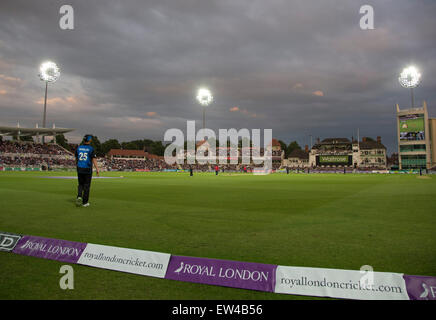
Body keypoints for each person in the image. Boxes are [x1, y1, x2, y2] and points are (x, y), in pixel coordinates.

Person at [75, 134, 99, 207]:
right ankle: (85, 202)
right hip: (87, 169)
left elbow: (76, 158)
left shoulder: (79, 148)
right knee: (87, 186)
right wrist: (97, 169)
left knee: (80, 184)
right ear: (89, 140)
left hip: (79, 168)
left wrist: (77, 165)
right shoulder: (91, 149)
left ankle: (79, 196)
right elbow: (94, 159)